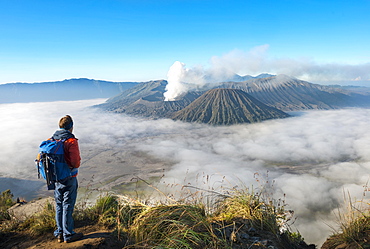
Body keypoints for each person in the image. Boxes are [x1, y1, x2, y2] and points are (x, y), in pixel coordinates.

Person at [42, 115, 83, 243]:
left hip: (56, 178)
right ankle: (68, 234)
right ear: (71, 127)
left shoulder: (52, 139)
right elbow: (75, 163)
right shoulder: (71, 141)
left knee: (59, 205)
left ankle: (59, 233)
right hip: (69, 177)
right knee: (68, 205)